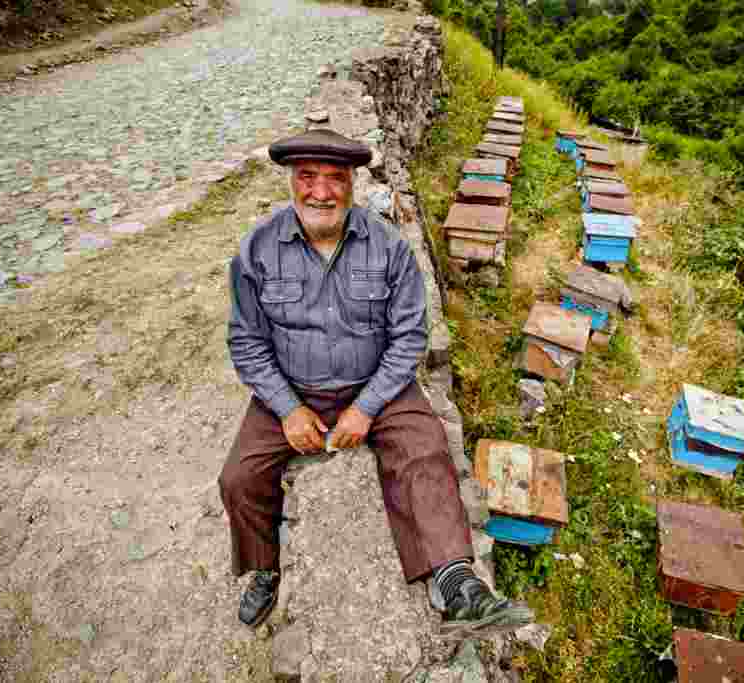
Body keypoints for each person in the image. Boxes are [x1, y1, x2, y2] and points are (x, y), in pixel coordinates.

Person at [217, 129, 533, 636]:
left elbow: (409, 337)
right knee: (237, 478)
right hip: (292, 389)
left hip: (378, 386)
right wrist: (287, 408)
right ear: (291, 182)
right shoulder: (256, 250)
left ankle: (457, 583)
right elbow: (247, 343)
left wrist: (365, 408)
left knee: (425, 448)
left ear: (354, 183)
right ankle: (265, 568)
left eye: (335, 179)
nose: (321, 192)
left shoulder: (388, 246)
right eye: (308, 177)